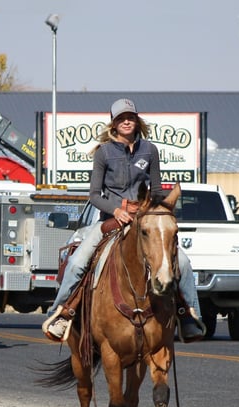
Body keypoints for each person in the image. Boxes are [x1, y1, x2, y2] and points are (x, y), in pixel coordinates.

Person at [42, 98, 205, 343]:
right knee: (77, 263)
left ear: (137, 120)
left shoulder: (149, 150)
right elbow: (94, 195)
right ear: (114, 124)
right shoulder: (104, 153)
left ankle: (189, 317)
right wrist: (116, 209)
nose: (126, 121)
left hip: (144, 222)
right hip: (111, 223)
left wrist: (167, 202)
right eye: (121, 118)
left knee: (183, 262)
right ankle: (62, 313)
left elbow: (157, 189)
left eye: (130, 117)